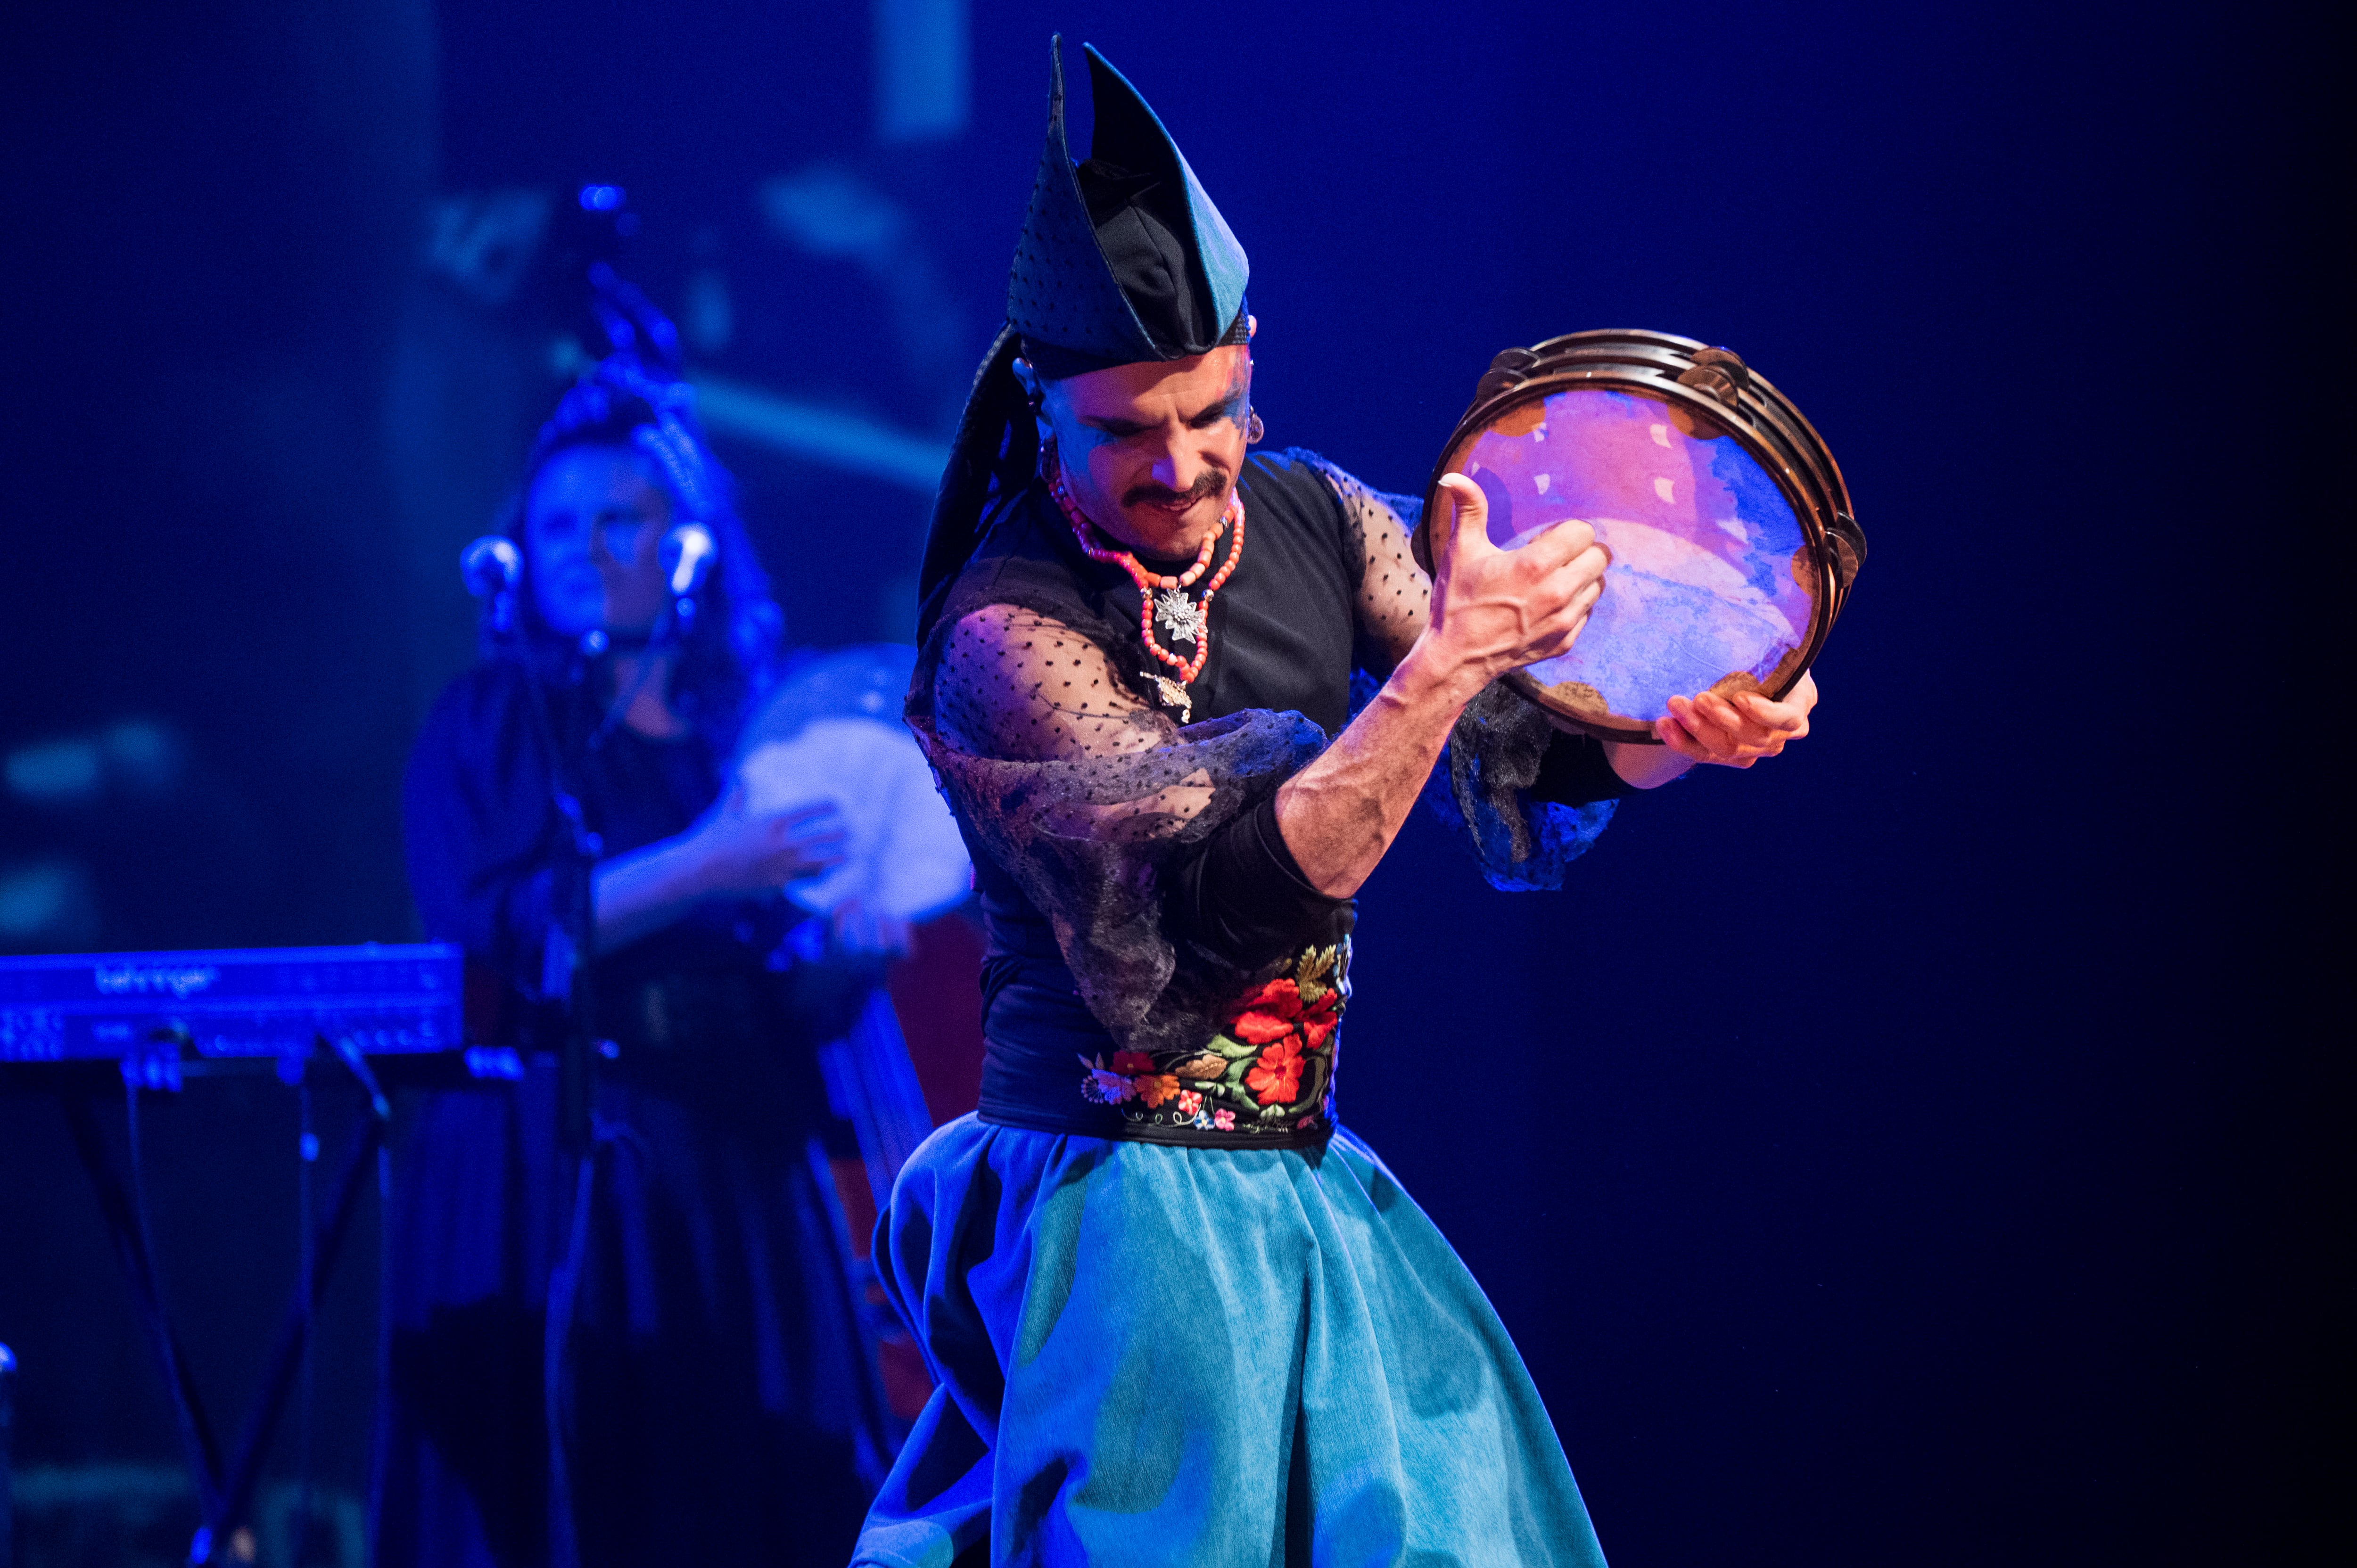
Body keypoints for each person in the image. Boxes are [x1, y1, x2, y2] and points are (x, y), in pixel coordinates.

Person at [851, 40, 1819, 1565]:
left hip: (1295, 1184)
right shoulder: (1006, 633)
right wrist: (1444, 663)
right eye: (1125, 432)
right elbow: (1235, 907)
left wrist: (1677, 732)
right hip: (1123, 1217)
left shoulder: (1309, 516)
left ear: (1251, 373)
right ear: (1044, 411)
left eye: (1210, 412)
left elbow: (1520, 739)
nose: (1180, 465)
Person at [375, 278, 915, 1568]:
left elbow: (789, 994)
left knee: (752, 1486)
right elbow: (514, 930)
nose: (585, 544)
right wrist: (709, 865)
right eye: (558, 520)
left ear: (690, 546)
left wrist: (846, 955)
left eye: (623, 517)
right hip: (550, 1161)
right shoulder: (498, 723)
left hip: (732, 1166)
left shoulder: (750, 734)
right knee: (577, 1490)